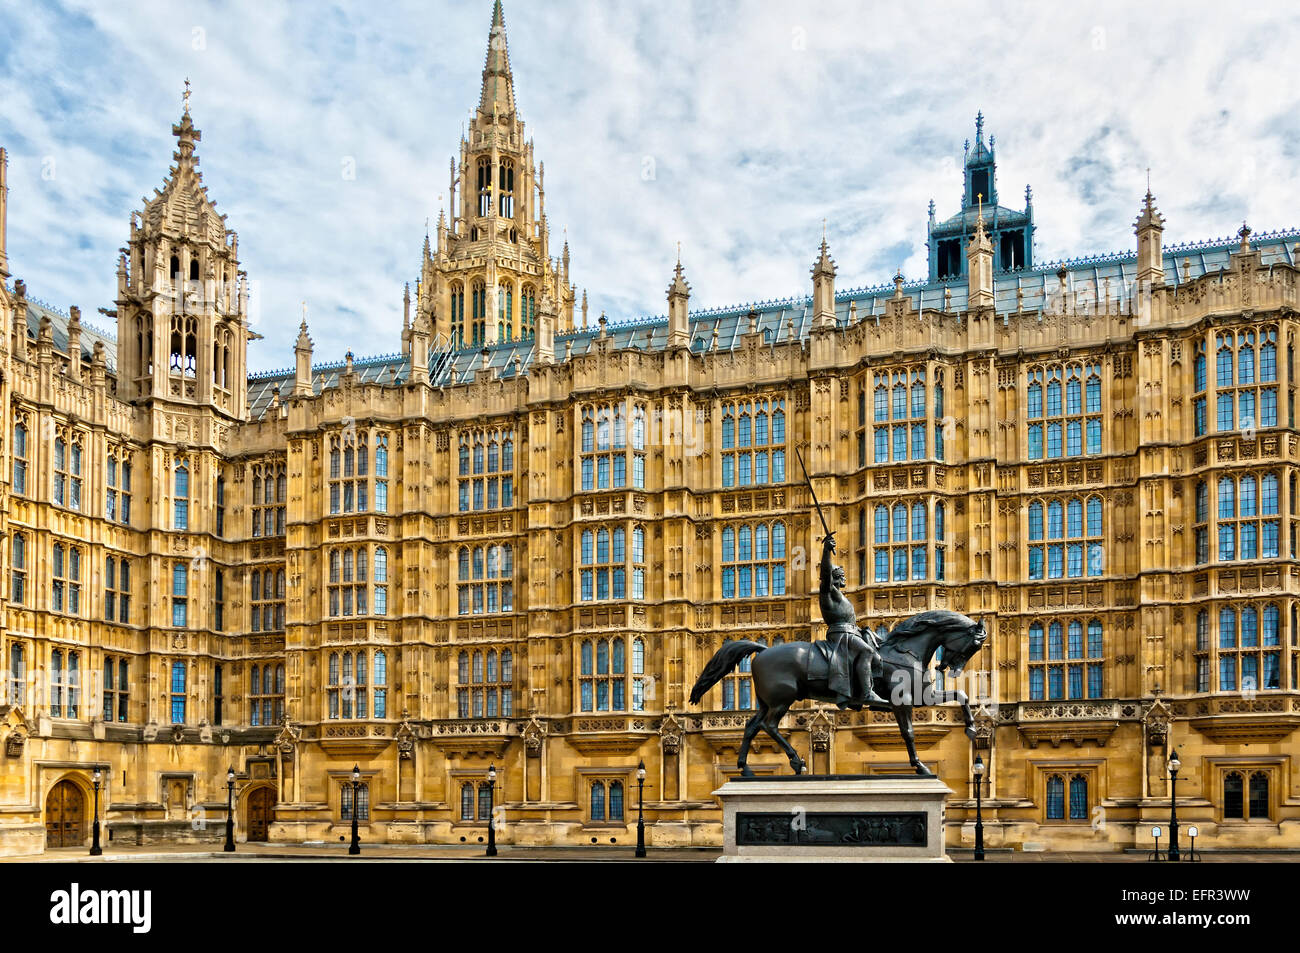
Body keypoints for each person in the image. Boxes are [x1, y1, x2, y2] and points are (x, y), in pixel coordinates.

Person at [819, 532, 888, 709]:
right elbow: (825, 573)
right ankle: (866, 694)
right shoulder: (828, 592)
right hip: (841, 635)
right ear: (834, 577)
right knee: (866, 652)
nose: (844, 577)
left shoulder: (841, 596)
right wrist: (826, 551)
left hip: (852, 633)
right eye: (840, 574)